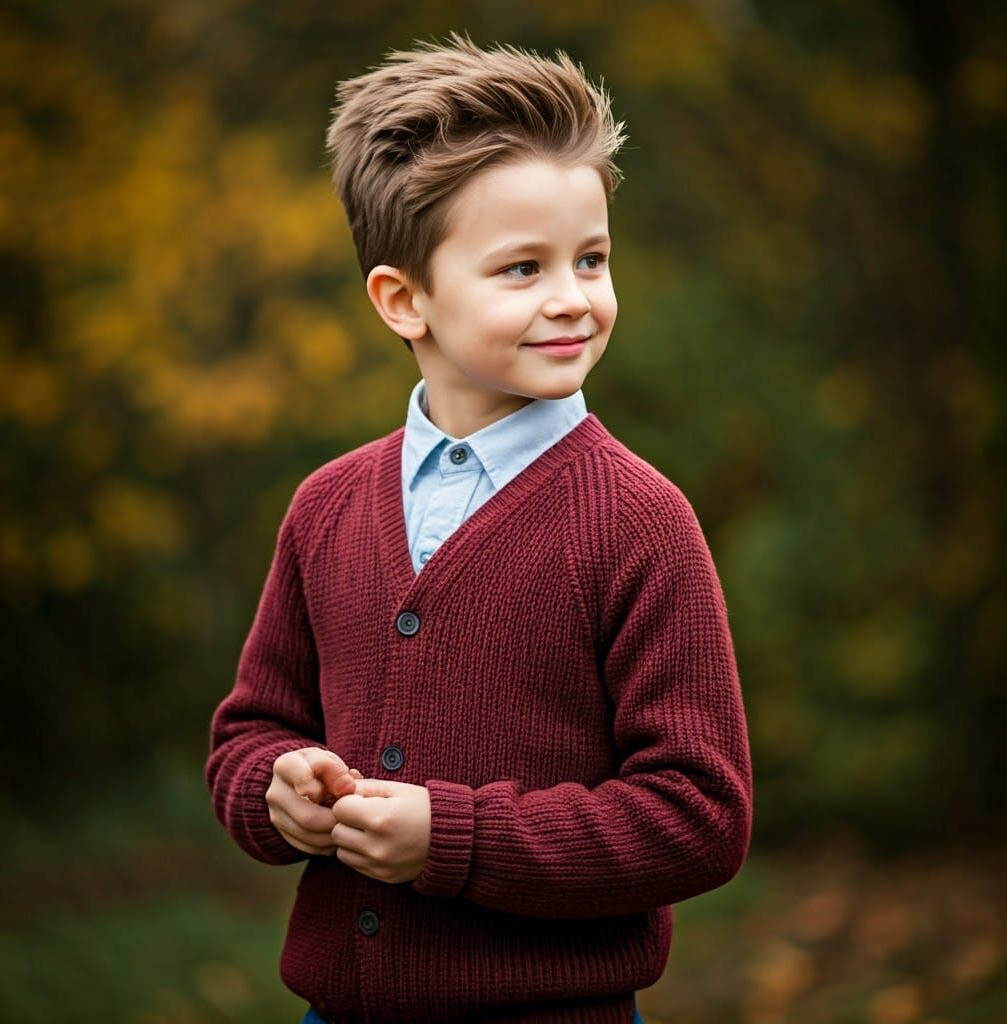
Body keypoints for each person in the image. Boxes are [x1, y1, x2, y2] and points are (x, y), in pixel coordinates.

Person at [204, 30, 752, 1024]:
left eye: (591, 258)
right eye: (521, 269)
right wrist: (271, 791)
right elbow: (250, 731)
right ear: (403, 299)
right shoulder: (325, 507)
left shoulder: (638, 521)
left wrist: (452, 839)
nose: (572, 299)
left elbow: (698, 815)